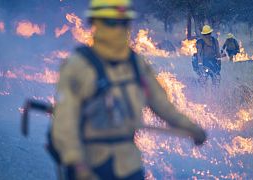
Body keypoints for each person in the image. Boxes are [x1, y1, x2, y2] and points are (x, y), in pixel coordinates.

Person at [51, 0, 207, 179]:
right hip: (91, 163)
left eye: (123, 22)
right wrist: (77, 165)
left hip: (129, 164)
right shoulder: (78, 65)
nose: (118, 29)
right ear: (96, 23)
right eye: (111, 22)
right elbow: (64, 123)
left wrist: (191, 128)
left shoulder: (136, 63)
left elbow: (162, 106)